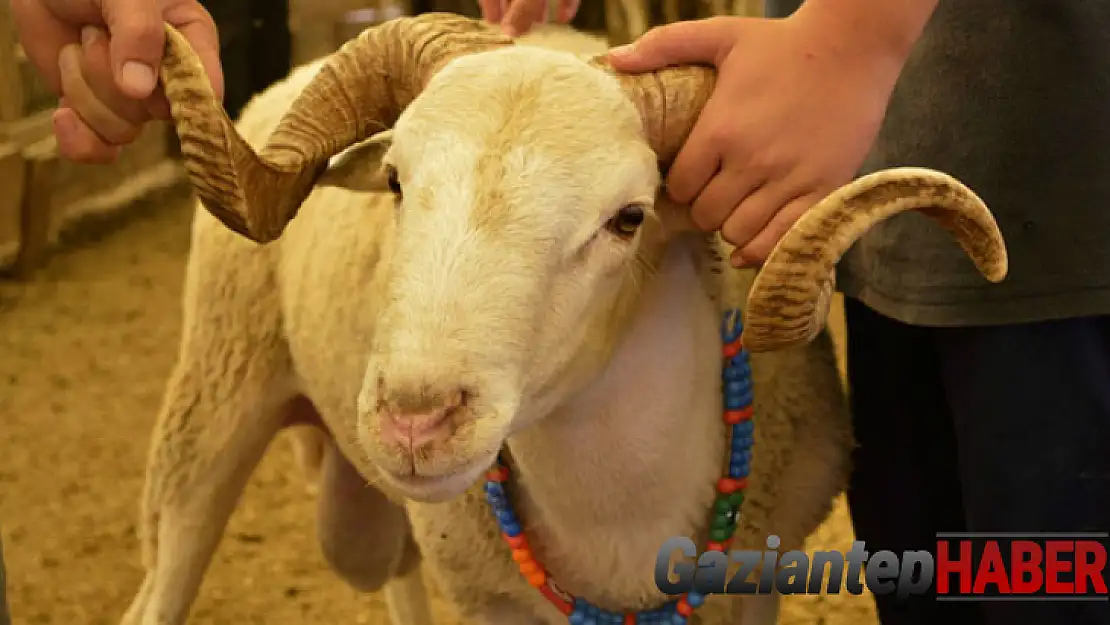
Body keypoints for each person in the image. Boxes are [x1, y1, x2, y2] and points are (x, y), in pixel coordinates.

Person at [490, 2, 1110, 625]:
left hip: (1058, 196)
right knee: (916, 561)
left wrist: (853, 39)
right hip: (881, 190)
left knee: (1048, 580)